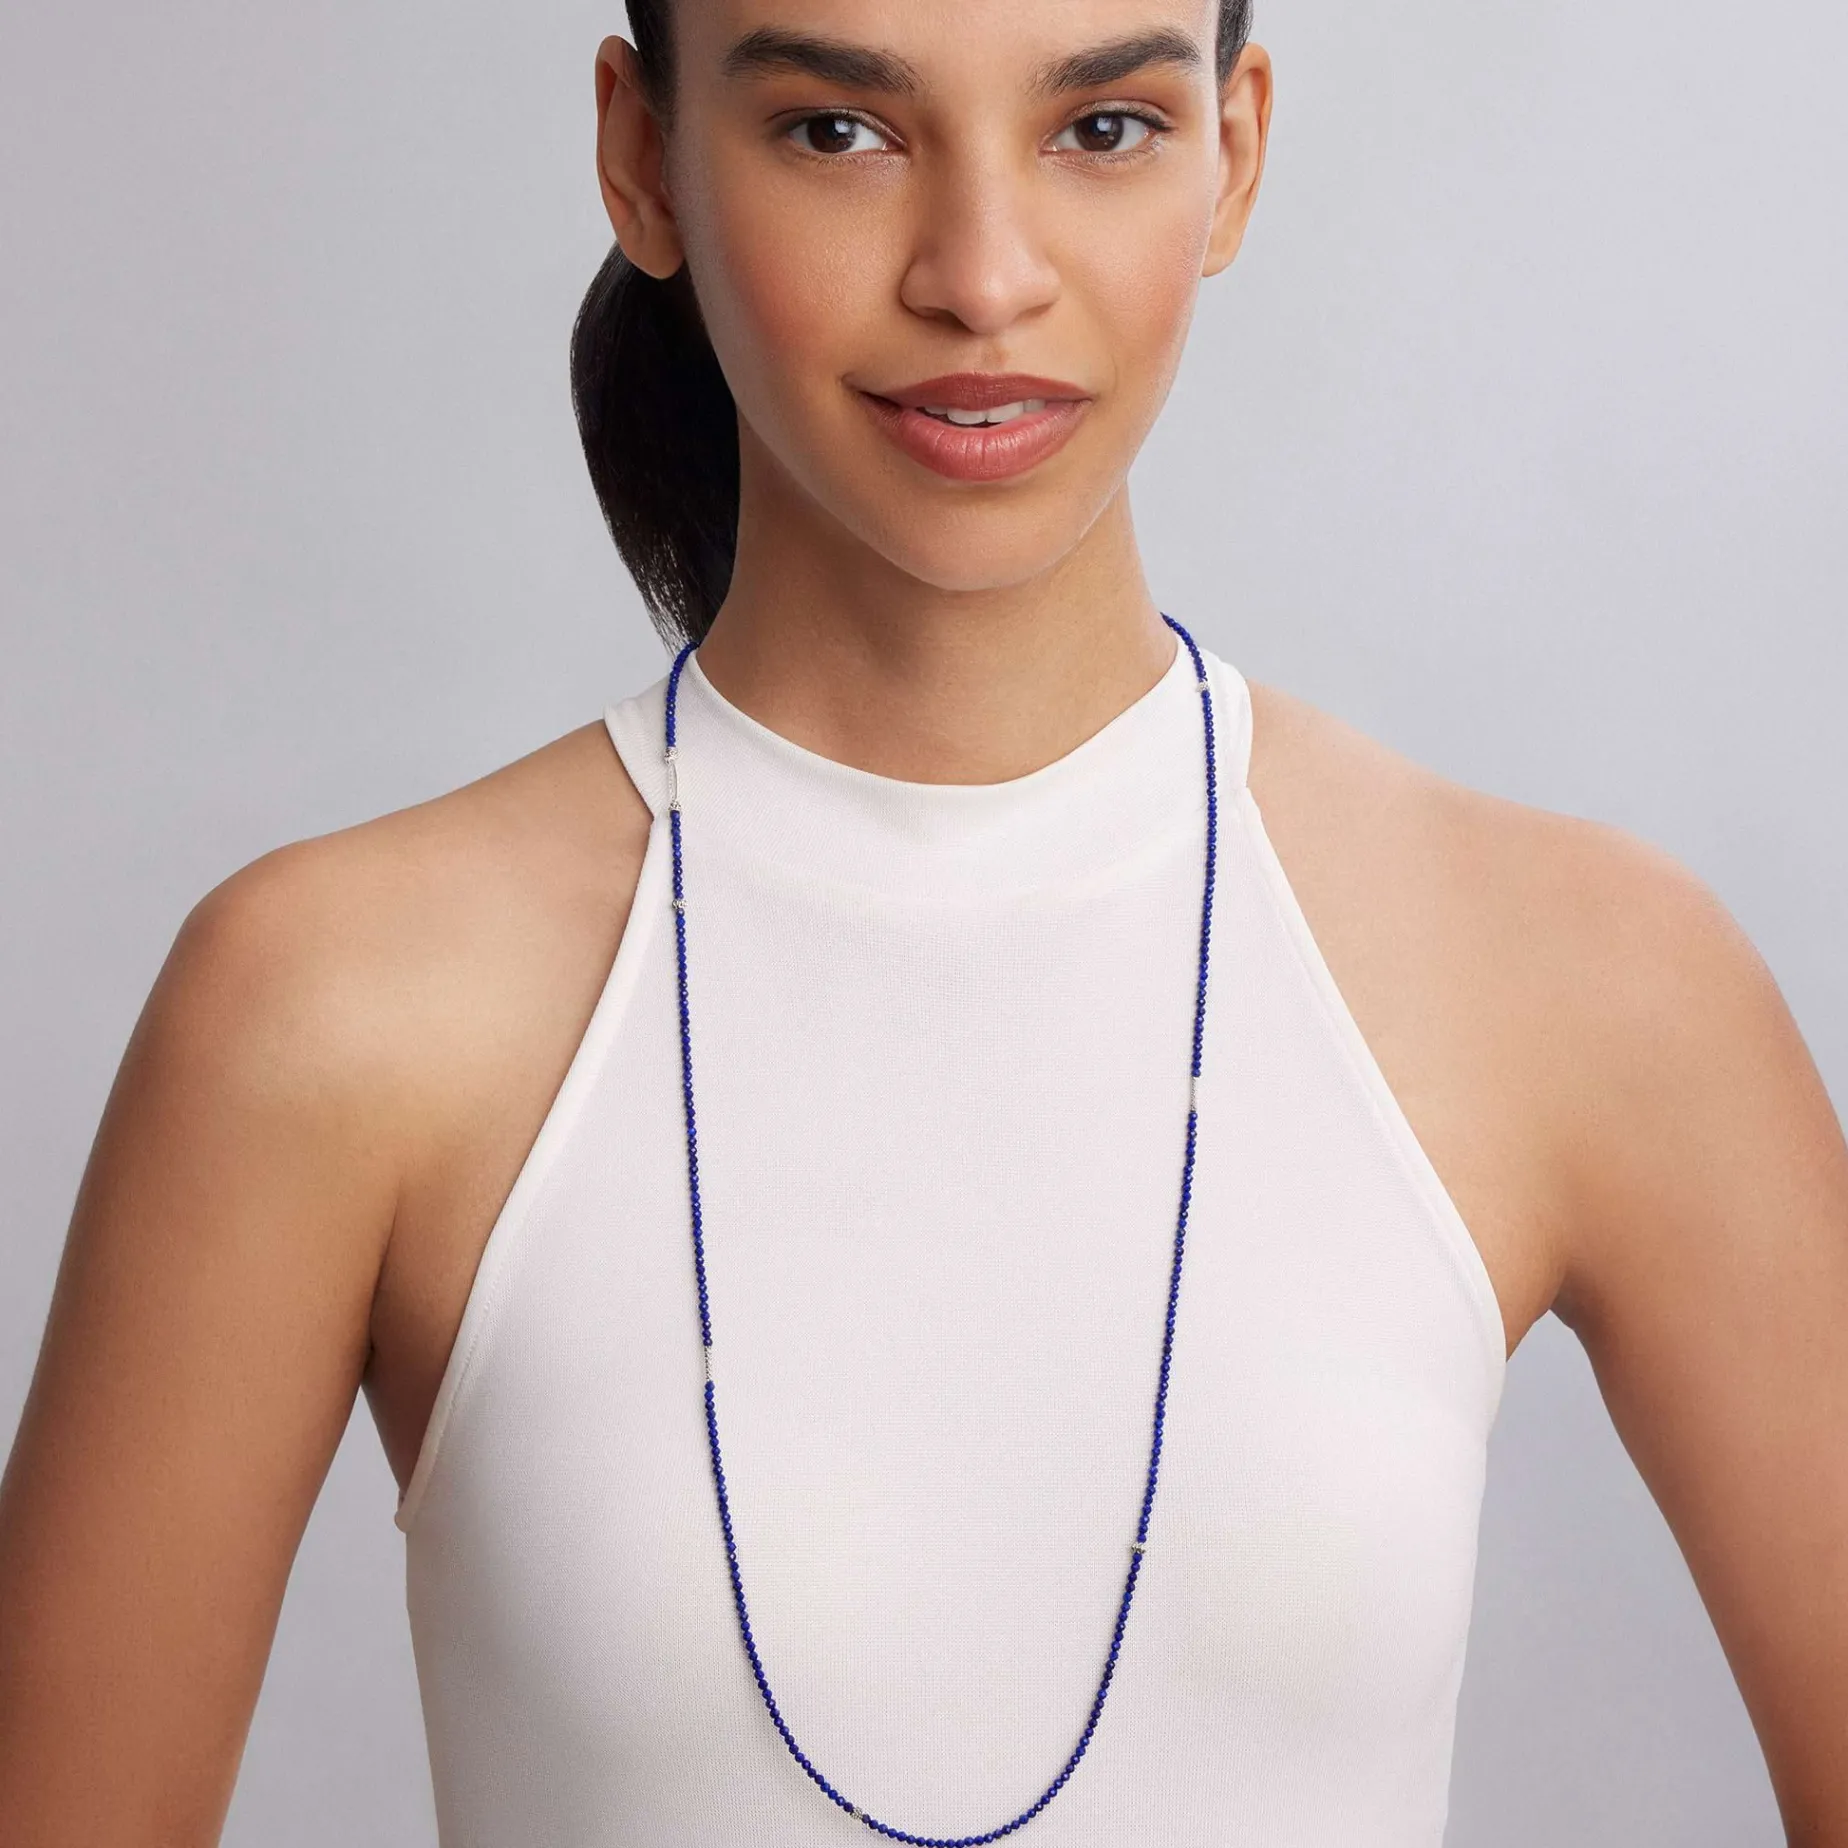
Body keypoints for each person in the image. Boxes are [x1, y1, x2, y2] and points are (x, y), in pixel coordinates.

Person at [2, 0, 1845, 1842]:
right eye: (840, 131)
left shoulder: (1586, 980)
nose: (982, 277)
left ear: (1233, 154)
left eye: (1102, 129)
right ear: (645, 160)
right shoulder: (329, 1009)